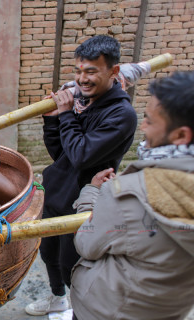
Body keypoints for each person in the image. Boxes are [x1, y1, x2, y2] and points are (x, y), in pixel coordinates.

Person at [25, 35, 138, 316]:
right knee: (48, 254)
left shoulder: (121, 114)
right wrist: (53, 119)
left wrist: (65, 114)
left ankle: (80, 309)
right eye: (78, 71)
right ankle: (57, 300)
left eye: (90, 71)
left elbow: (81, 155)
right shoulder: (84, 102)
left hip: (83, 202)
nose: (81, 79)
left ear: (113, 71)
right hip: (56, 193)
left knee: (70, 264)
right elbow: (63, 154)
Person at [70, 71, 194, 320]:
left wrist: (93, 193)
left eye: (148, 120)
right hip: (168, 309)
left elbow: (87, 244)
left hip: (109, 310)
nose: (143, 126)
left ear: (181, 135)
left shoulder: (129, 196)